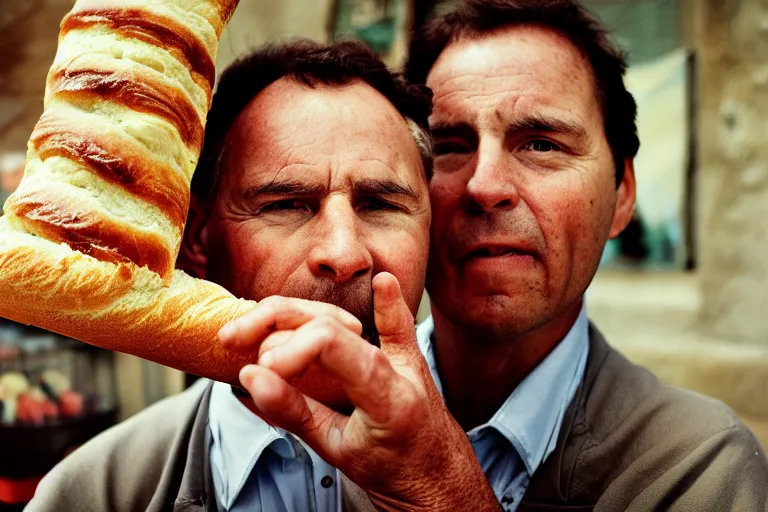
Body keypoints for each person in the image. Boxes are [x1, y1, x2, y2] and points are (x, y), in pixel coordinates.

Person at [220, 1, 768, 510]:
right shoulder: (299, 422)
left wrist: (437, 490)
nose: (485, 185)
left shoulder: (700, 469)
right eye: (451, 146)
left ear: (623, 192)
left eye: (541, 144)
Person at [25, 39, 489, 511]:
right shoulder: (89, 495)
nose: (344, 253)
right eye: (286, 205)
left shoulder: (510, 452)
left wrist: (443, 491)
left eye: (380, 204)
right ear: (198, 242)